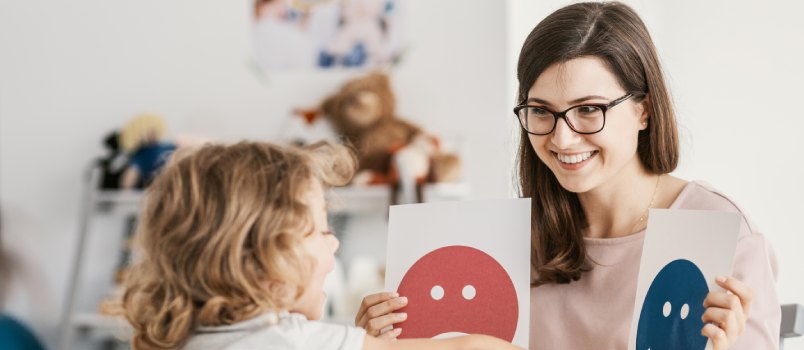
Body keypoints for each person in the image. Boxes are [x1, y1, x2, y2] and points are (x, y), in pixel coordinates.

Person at [354, 2, 781, 349]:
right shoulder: (507, 242)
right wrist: (380, 342)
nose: (562, 138)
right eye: (541, 111)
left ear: (644, 110)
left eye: (589, 109)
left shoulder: (718, 232)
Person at [117, 141, 523, 350]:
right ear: (264, 260)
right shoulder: (292, 340)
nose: (334, 243)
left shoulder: (185, 340)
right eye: (320, 230)